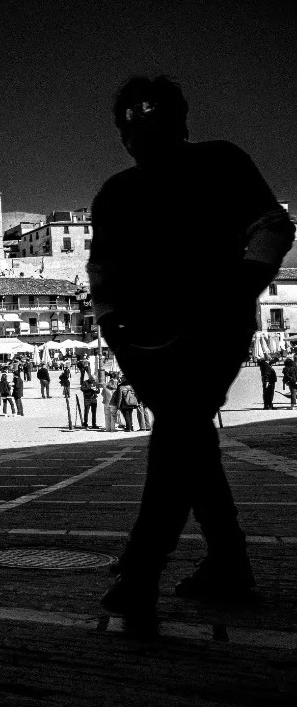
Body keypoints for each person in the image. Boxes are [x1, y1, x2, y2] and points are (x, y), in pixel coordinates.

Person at [90, 75, 294, 625]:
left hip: (214, 329)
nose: (138, 127)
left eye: (150, 114)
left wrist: (240, 288)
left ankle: (141, 570)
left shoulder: (221, 162)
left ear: (181, 121)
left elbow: (273, 224)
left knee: (178, 431)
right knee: (190, 439)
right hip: (142, 342)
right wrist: (113, 328)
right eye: (128, 120)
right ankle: (229, 562)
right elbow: (101, 269)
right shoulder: (114, 192)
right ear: (121, 134)